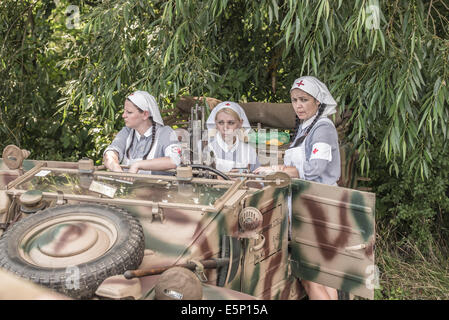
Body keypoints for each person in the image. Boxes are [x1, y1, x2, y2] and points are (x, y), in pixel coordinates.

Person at [254, 76, 341, 300]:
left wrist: (275, 171)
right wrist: (277, 167)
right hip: (305, 204)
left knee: (310, 274)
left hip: (317, 206)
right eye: (294, 100)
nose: (298, 105)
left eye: (304, 99)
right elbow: (297, 166)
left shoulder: (322, 127)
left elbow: (315, 168)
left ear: (318, 102)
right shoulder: (305, 127)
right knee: (319, 274)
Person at [103, 90, 181, 175]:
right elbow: (110, 153)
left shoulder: (165, 133)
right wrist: (116, 169)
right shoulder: (127, 131)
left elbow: (174, 160)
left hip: (158, 187)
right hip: (129, 187)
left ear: (145, 115)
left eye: (129, 112)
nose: (123, 115)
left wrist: (138, 165)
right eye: (124, 111)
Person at [203, 101, 259, 173]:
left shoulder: (249, 151)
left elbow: (260, 182)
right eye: (221, 123)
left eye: (231, 123)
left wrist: (249, 176)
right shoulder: (207, 149)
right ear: (215, 124)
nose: (225, 128)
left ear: (240, 123)